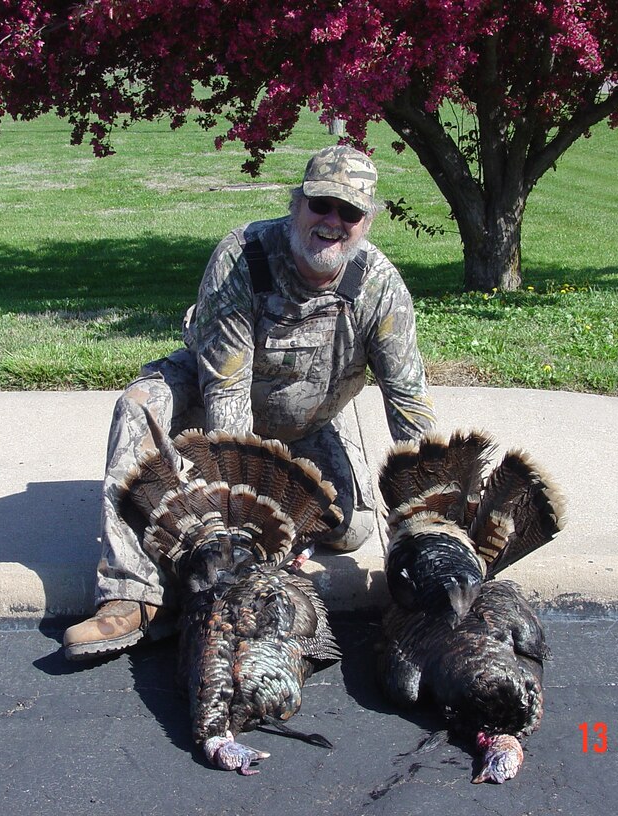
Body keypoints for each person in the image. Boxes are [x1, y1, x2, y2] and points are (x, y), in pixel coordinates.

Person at [63, 145, 438, 661]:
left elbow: (410, 407)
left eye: (349, 212)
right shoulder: (243, 257)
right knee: (139, 404)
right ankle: (133, 594)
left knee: (350, 530)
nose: (332, 221)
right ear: (295, 203)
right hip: (213, 411)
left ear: (367, 221)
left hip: (305, 426)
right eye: (320, 204)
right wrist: (251, 531)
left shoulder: (379, 288)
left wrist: (436, 523)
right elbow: (227, 395)